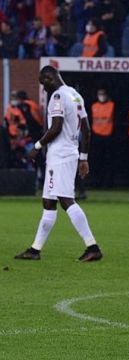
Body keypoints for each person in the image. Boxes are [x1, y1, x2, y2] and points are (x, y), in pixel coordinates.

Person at [14, 65, 102, 262]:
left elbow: (56, 127)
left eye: (43, 84)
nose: (44, 88)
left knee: (66, 200)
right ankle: (35, 250)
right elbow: (86, 130)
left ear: (49, 79)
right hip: (68, 154)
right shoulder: (75, 95)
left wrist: (37, 146)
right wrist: (83, 158)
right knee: (49, 202)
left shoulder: (58, 97)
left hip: (60, 156)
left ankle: (92, 246)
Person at [90, 87, 115, 187]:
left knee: (108, 161)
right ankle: (97, 181)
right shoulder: (94, 106)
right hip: (97, 135)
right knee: (97, 160)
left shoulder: (111, 105)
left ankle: (107, 182)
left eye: (103, 94)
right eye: (99, 94)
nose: (101, 96)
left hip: (108, 135)